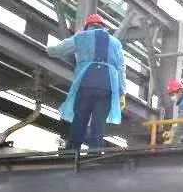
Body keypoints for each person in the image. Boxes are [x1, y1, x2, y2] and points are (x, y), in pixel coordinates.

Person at [47, 14, 126, 150]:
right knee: (98, 124)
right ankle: (95, 154)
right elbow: (121, 69)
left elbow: (62, 49)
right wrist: (122, 92)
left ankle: (72, 153)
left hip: (86, 83)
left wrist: (49, 50)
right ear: (103, 27)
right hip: (107, 86)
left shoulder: (83, 36)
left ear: (88, 26)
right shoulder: (116, 43)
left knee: (80, 120)